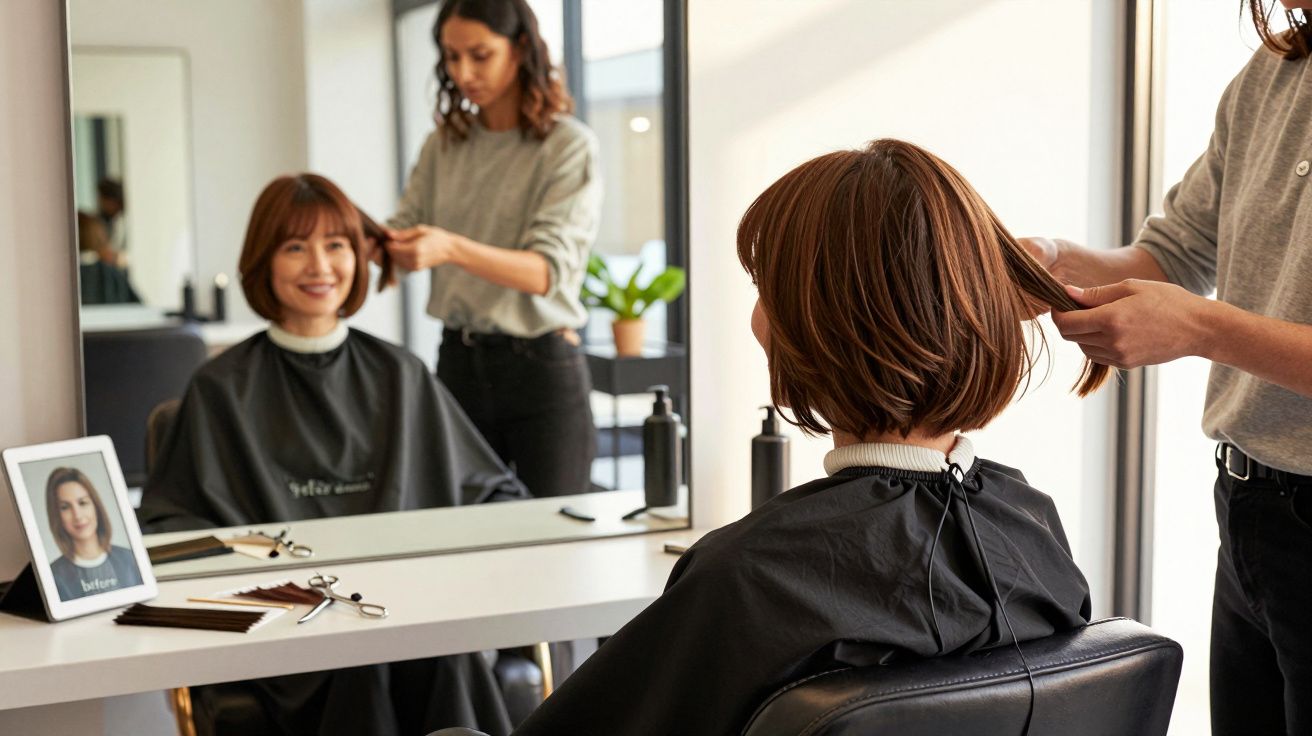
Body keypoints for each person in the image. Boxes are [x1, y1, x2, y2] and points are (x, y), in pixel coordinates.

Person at [493, 139, 1105, 736]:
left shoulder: (747, 576)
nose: (756, 316)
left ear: (818, 327)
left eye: (765, 290)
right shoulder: (1032, 525)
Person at [141, 173, 520, 736]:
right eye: (295, 247)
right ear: (263, 262)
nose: (319, 266)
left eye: (335, 245)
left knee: (443, 651)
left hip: (407, 611)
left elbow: (491, 493)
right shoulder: (220, 389)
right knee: (359, 657)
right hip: (290, 628)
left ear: (357, 258)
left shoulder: (401, 375)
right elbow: (173, 526)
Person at [1023, 3, 1312, 732]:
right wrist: (1062, 261)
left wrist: (1201, 327)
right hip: (1249, 509)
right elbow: (1179, 250)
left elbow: (1194, 304)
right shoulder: (1275, 74)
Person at [387, 0, 602, 498]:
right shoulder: (444, 144)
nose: (463, 73)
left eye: (480, 55)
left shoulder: (566, 145)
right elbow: (403, 229)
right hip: (457, 365)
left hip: (541, 370)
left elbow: (547, 272)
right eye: (451, 57)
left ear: (520, 47)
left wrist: (450, 248)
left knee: (557, 533)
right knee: (458, 531)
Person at [45, 466, 142, 601]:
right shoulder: (54, 576)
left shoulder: (129, 559)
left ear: (96, 506)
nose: (77, 515)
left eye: (83, 503)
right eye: (65, 507)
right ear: (56, 515)